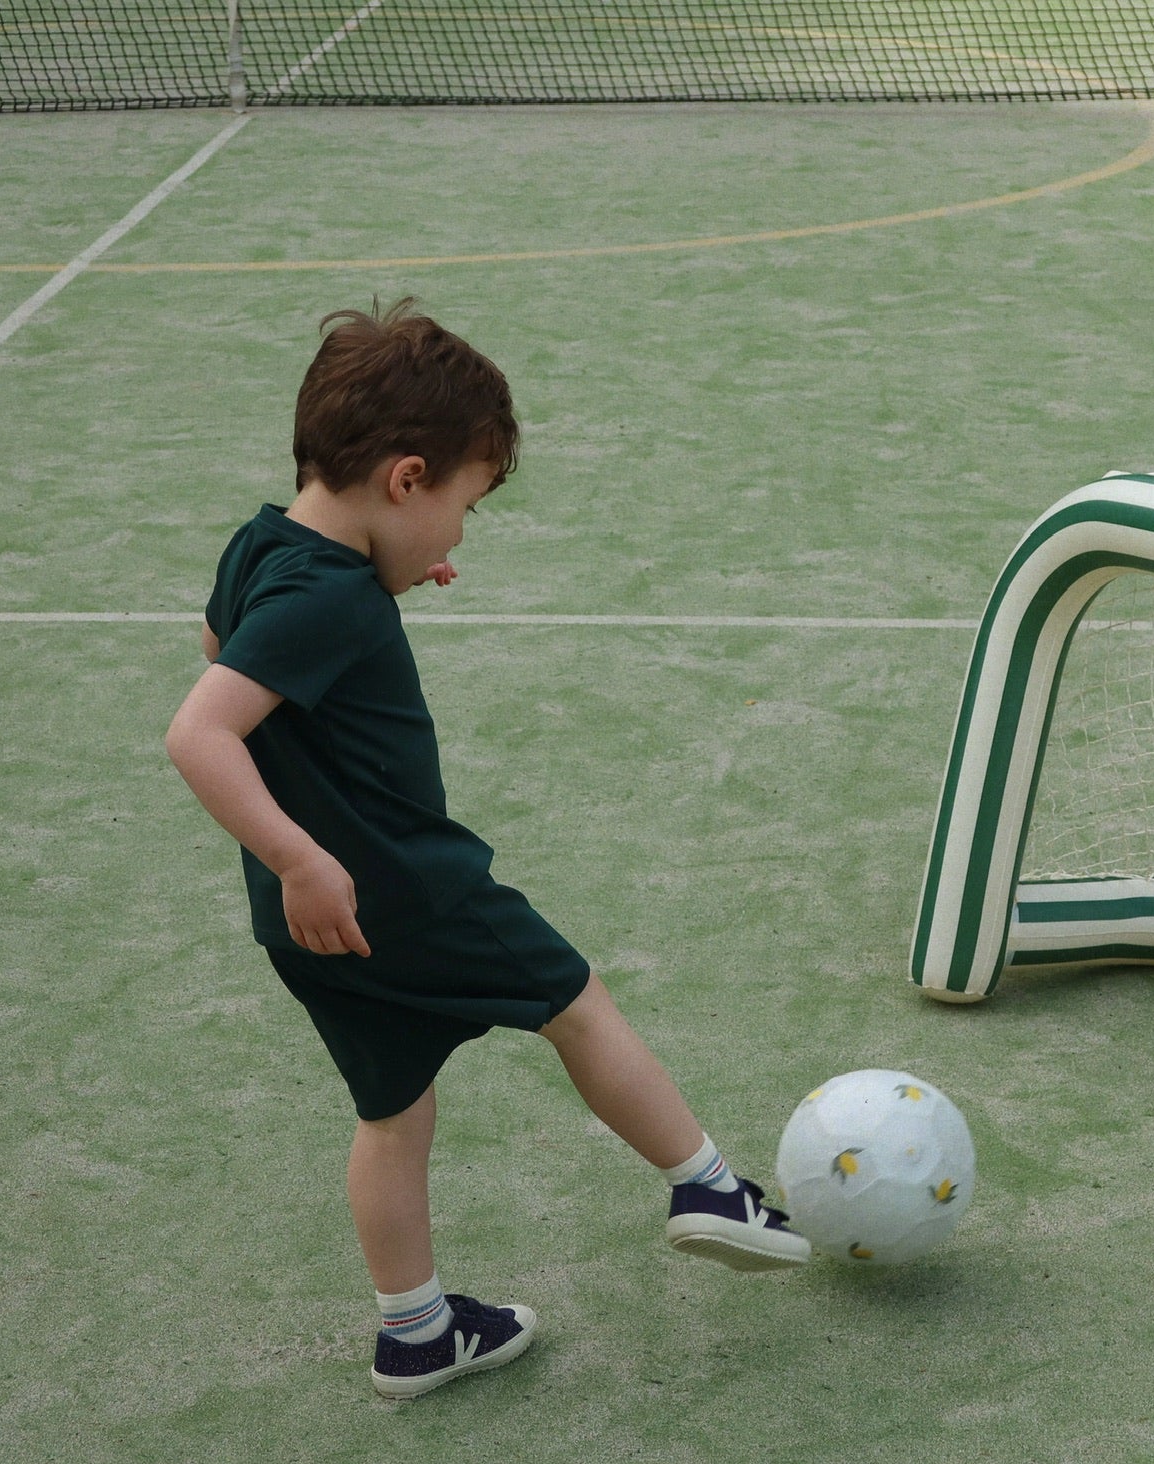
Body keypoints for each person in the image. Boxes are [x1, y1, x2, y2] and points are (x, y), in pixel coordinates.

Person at [165, 298, 808, 1400]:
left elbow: (227, 644)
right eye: (463, 507)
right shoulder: (330, 597)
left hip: (314, 930)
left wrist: (383, 583)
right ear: (407, 480)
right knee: (578, 1001)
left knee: (393, 1112)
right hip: (403, 890)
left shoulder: (268, 547)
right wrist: (304, 856)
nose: (458, 537)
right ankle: (705, 1185)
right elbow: (199, 731)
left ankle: (415, 1330)